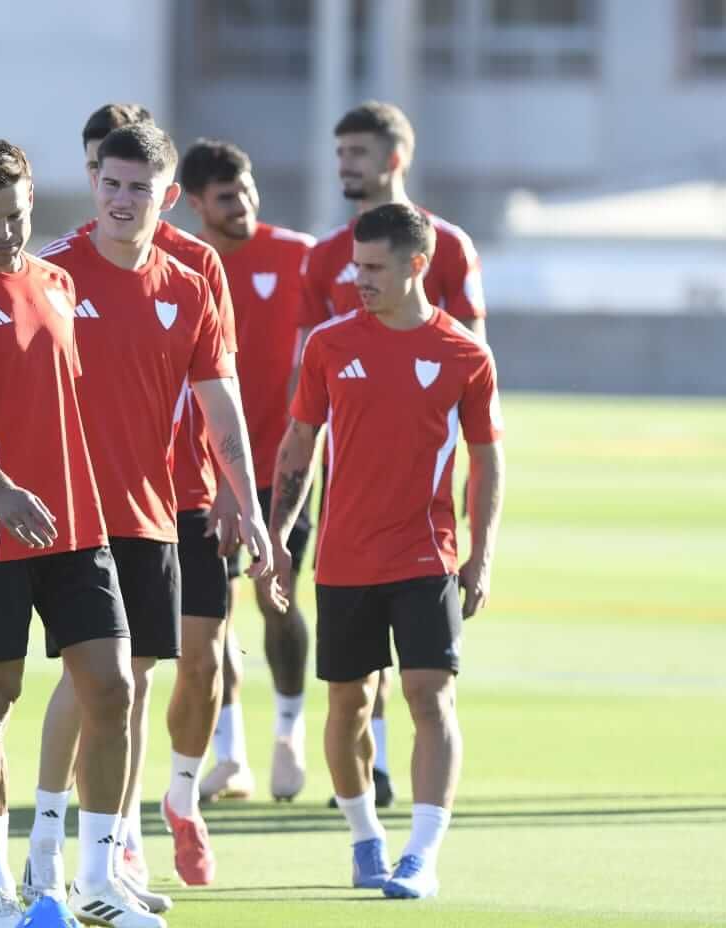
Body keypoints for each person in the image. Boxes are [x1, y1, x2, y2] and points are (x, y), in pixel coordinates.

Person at [0, 138, 156, 928]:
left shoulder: (58, 282)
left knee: (111, 687)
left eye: (16, 216)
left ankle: (95, 883)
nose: (7, 234)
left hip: (78, 526)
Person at [33, 124, 272, 896]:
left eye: (140, 188)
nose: (123, 200)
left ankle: (115, 851)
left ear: (167, 199)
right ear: (93, 181)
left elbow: (222, 410)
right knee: (88, 678)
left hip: (152, 514)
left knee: (129, 686)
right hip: (70, 515)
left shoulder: (187, 285)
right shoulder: (50, 276)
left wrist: (251, 506)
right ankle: (44, 849)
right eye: (112, 183)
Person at [270, 203, 505, 898]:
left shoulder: (465, 353)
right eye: (355, 266)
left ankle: (422, 856)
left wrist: (481, 556)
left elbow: (487, 462)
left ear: (417, 266)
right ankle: (366, 837)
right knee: (348, 704)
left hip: (426, 555)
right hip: (343, 558)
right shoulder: (330, 345)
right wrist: (280, 535)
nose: (358, 279)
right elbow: (299, 443)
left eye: (373, 269)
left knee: (429, 697)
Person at [302, 101, 488, 807]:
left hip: (425, 498)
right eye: (339, 151)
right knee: (351, 677)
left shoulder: (451, 246)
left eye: (358, 151)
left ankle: (403, 799)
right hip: (348, 490)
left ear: (395, 158)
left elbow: (475, 371)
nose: (345, 164)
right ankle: (367, 771)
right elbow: (311, 379)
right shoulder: (326, 258)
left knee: (422, 677)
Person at [177, 139, 315, 804]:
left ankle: (289, 729)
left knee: (275, 593)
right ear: (196, 203)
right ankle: (231, 754)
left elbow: (312, 368)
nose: (245, 206)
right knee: (214, 616)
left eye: (249, 190)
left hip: (282, 463)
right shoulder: (181, 264)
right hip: (205, 475)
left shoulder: (298, 256)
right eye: (227, 197)